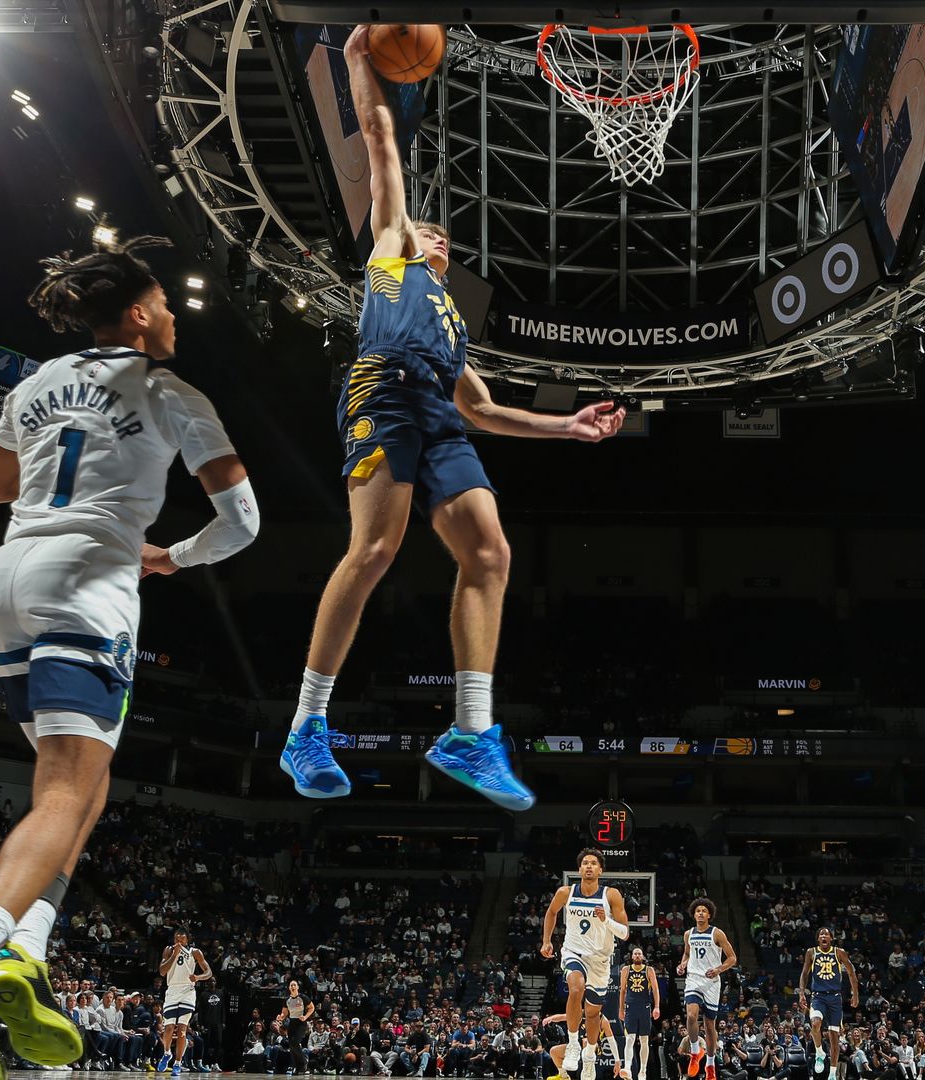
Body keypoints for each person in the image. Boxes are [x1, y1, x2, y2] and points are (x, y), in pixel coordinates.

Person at [0, 230, 256, 1080]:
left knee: (82, 785)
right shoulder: (172, 390)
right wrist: (173, 555)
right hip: (90, 581)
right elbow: (243, 523)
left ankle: (29, 946)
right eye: (165, 305)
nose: (174, 316)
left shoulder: (38, 380)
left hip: (8, 581)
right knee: (64, 788)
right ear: (138, 315)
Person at [276, 23, 627, 811]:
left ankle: (472, 731)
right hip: (384, 388)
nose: (435, 234)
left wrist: (567, 426)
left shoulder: (453, 324)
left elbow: (486, 410)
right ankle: (306, 726)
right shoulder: (391, 249)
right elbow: (380, 140)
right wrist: (361, 59)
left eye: (441, 235)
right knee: (373, 550)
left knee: (492, 552)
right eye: (429, 228)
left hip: (436, 405)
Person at [544, 849, 631, 1079]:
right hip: (574, 952)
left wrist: (607, 920)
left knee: (593, 1015)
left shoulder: (611, 895)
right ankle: (573, 1044)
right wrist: (546, 941)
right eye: (585, 863)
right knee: (575, 987)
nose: (589, 866)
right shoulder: (565, 892)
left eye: (593, 863)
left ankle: (590, 1056)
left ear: (600, 869)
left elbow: (624, 933)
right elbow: (551, 912)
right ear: (579, 869)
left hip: (600, 960)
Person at [677, 898, 738, 1079]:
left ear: (709, 914)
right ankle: (695, 1053)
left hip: (712, 982)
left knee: (710, 1026)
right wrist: (682, 965)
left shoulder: (717, 933)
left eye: (704, 911)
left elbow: (732, 958)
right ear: (694, 914)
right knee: (690, 1015)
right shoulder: (688, 934)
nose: (701, 913)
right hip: (694, 979)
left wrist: (719, 969)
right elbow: (687, 954)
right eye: (698, 911)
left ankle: (710, 1064)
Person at [800, 927, 859, 1080]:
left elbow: (852, 973)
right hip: (818, 997)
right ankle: (819, 1052)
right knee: (815, 1023)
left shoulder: (839, 952)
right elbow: (805, 973)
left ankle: (832, 1074)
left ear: (831, 938)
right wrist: (801, 993)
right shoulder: (811, 952)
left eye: (826, 934)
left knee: (834, 1038)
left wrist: (855, 995)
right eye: (821, 934)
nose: (824, 936)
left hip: (835, 998)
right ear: (818, 938)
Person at [160, 929, 214, 1076]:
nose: (179, 940)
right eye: (176, 938)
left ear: (187, 939)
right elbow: (162, 972)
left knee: (182, 1030)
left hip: (187, 991)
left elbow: (208, 971)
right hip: (172, 991)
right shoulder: (169, 950)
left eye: (182, 938)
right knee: (169, 1028)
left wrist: (198, 977)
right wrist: (174, 954)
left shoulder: (195, 952)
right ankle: (167, 1053)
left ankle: (178, 1063)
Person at [624, 947, 663, 1080]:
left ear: (643, 956)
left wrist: (656, 1007)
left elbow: (656, 990)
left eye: (639, 953)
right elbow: (622, 991)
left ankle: (643, 1071)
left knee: (644, 1040)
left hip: (645, 1007)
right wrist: (620, 1009)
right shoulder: (626, 970)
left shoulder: (649, 970)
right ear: (632, 956)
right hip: (630, 1007)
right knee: (629, 1039)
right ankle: (628, 1068)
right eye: (635, 953)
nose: (637, 955)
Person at [279, 978, 316, 1075]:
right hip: (292, 1023)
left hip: (301, 1024)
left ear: (298, 987)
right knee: (291, 1046)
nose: (293, 986)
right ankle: (297, 1067)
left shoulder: (303, 997)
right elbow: (284, 1013)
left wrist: (305, 1017)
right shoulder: (287, 1000)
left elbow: (312, 1008)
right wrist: (280, 1017)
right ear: (289, 987)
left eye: (294, 985)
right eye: (291, 985)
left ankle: (304, 1064)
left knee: (295, 1043)